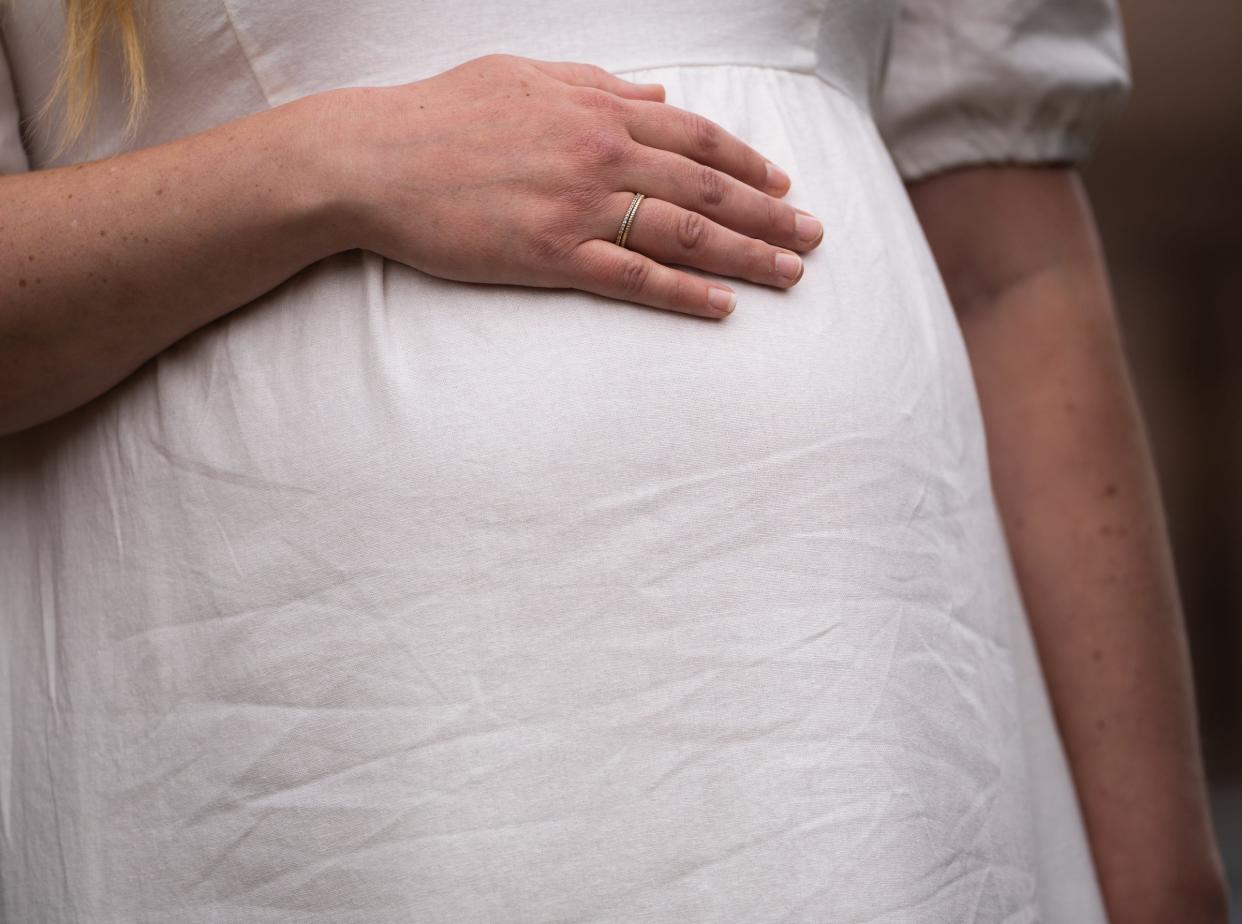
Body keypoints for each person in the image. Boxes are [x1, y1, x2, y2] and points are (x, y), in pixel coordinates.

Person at [0, 0, 1227, 920]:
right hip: (326, 740)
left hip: (864, 725)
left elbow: (1012, 274)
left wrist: (1161, 879)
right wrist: (331, 165)